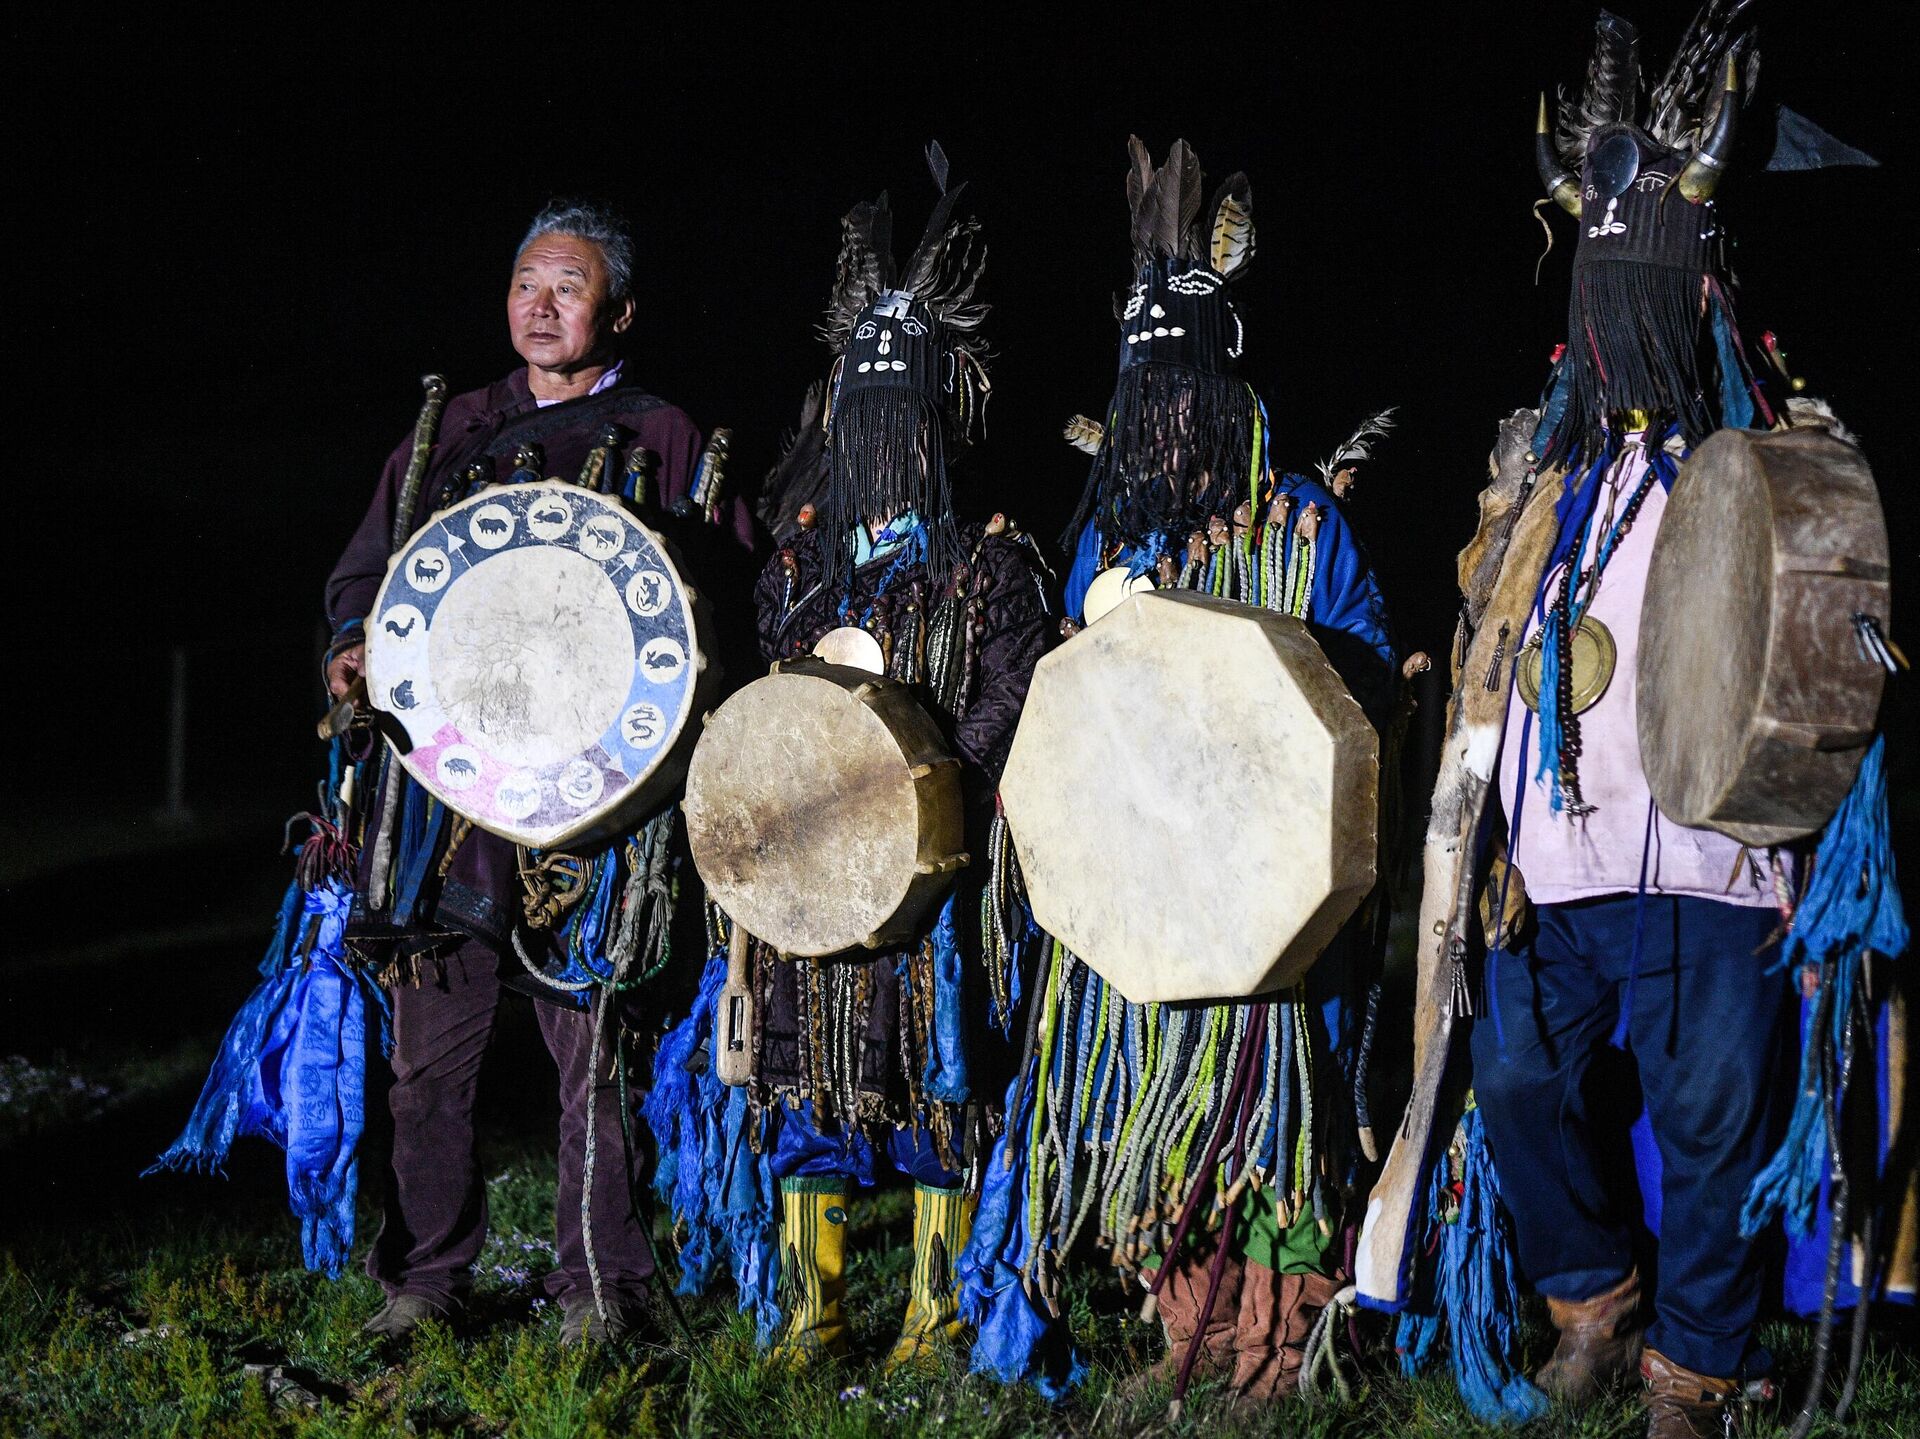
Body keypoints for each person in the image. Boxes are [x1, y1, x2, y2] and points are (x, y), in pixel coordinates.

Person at [1360, 11, 1906, 1437]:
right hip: (1554, 870)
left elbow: (1833, 648)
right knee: (1523, 1077)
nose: (1615, 335)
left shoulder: (1766, 458)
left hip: (1718, 868)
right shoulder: (1545, 480)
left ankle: (1701, 1364)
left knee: (1715, 1119)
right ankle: (1593, 1294)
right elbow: (1490, 645)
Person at [960, 137, 1398, 1409]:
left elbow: (1357, 679)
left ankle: (1280, 1332)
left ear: (1227, 388)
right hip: (1145, 875)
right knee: (1156, 1090)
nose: (1157, 416)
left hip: (1269, 888)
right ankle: (1187, 1323)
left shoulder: (1304, 521)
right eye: (1137, 390)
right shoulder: (1104, 531)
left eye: (1178, 388)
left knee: (1267, 1101)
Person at [650, 150, 1053, 1372]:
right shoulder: (803, 561)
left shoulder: (991, 560)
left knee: (935, 1084)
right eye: (861, 410)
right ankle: (811, 1308)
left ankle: (933, 1308)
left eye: (903, 412)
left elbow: (1011, 687)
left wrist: (925, 787)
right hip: (814, 873)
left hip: (935, 872)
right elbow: (776, 697)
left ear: (941, 413)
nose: (880, 434)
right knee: (806, 1074)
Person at [324, 200, 749, 1345]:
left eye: (568, 287)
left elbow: (722, 601)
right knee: (425, 1061)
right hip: (446, 804)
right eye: (526, 284)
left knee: (594, 1060)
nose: (540, 306)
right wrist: (353, 645)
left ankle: (600, 1292)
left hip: (600, 810)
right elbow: (368, 575)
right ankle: (424, 1281)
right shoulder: (449, 429)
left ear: (618, 307)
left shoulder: (666, 434)